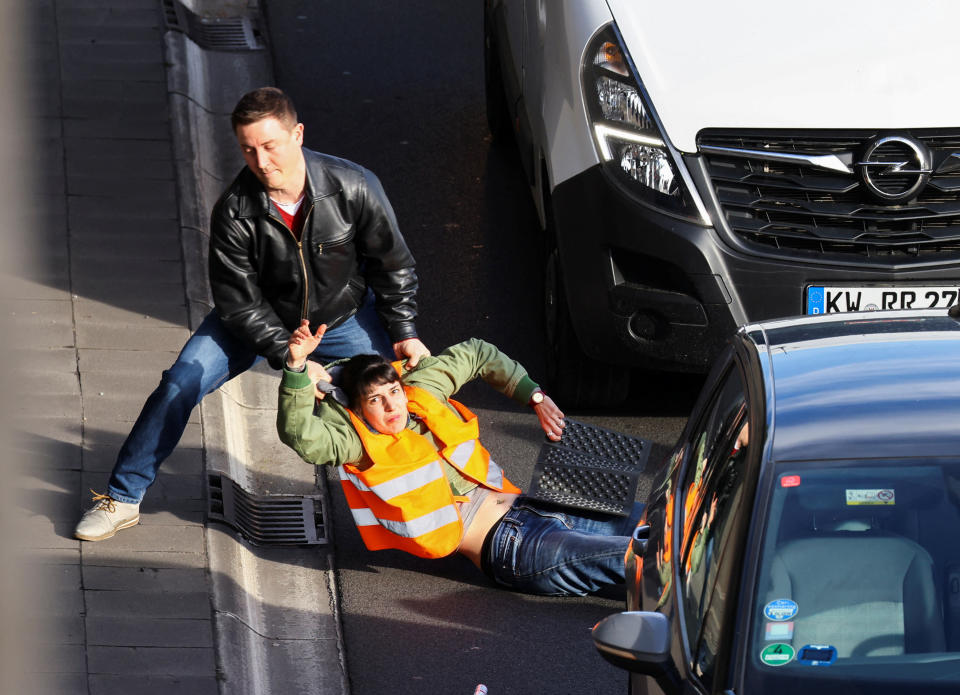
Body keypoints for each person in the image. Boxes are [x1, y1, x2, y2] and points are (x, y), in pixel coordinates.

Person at [75, 87, 430, 541]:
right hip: (253, 324)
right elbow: (237, 303)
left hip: (340, 320)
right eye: (247, 149)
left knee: (397, 402)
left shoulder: (354, 186)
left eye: (269, 146)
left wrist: (403, 331)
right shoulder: (235, 211)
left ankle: (444, 506)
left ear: (297, 134)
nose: (261, 162)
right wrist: (293, 357)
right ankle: (122, 499)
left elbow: (393, 265)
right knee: (178, 383)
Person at [276, 323, 644, 596]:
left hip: (537, 504)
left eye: (393, 392)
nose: (392, 407)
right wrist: (296, 370)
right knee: (645, 556)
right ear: (358, 408)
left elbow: (479, 352)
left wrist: (534, 397)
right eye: (375, 401)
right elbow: (302, 438)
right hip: (513, 547)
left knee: (670, 517)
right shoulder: (355, 441)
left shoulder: (422, 390)